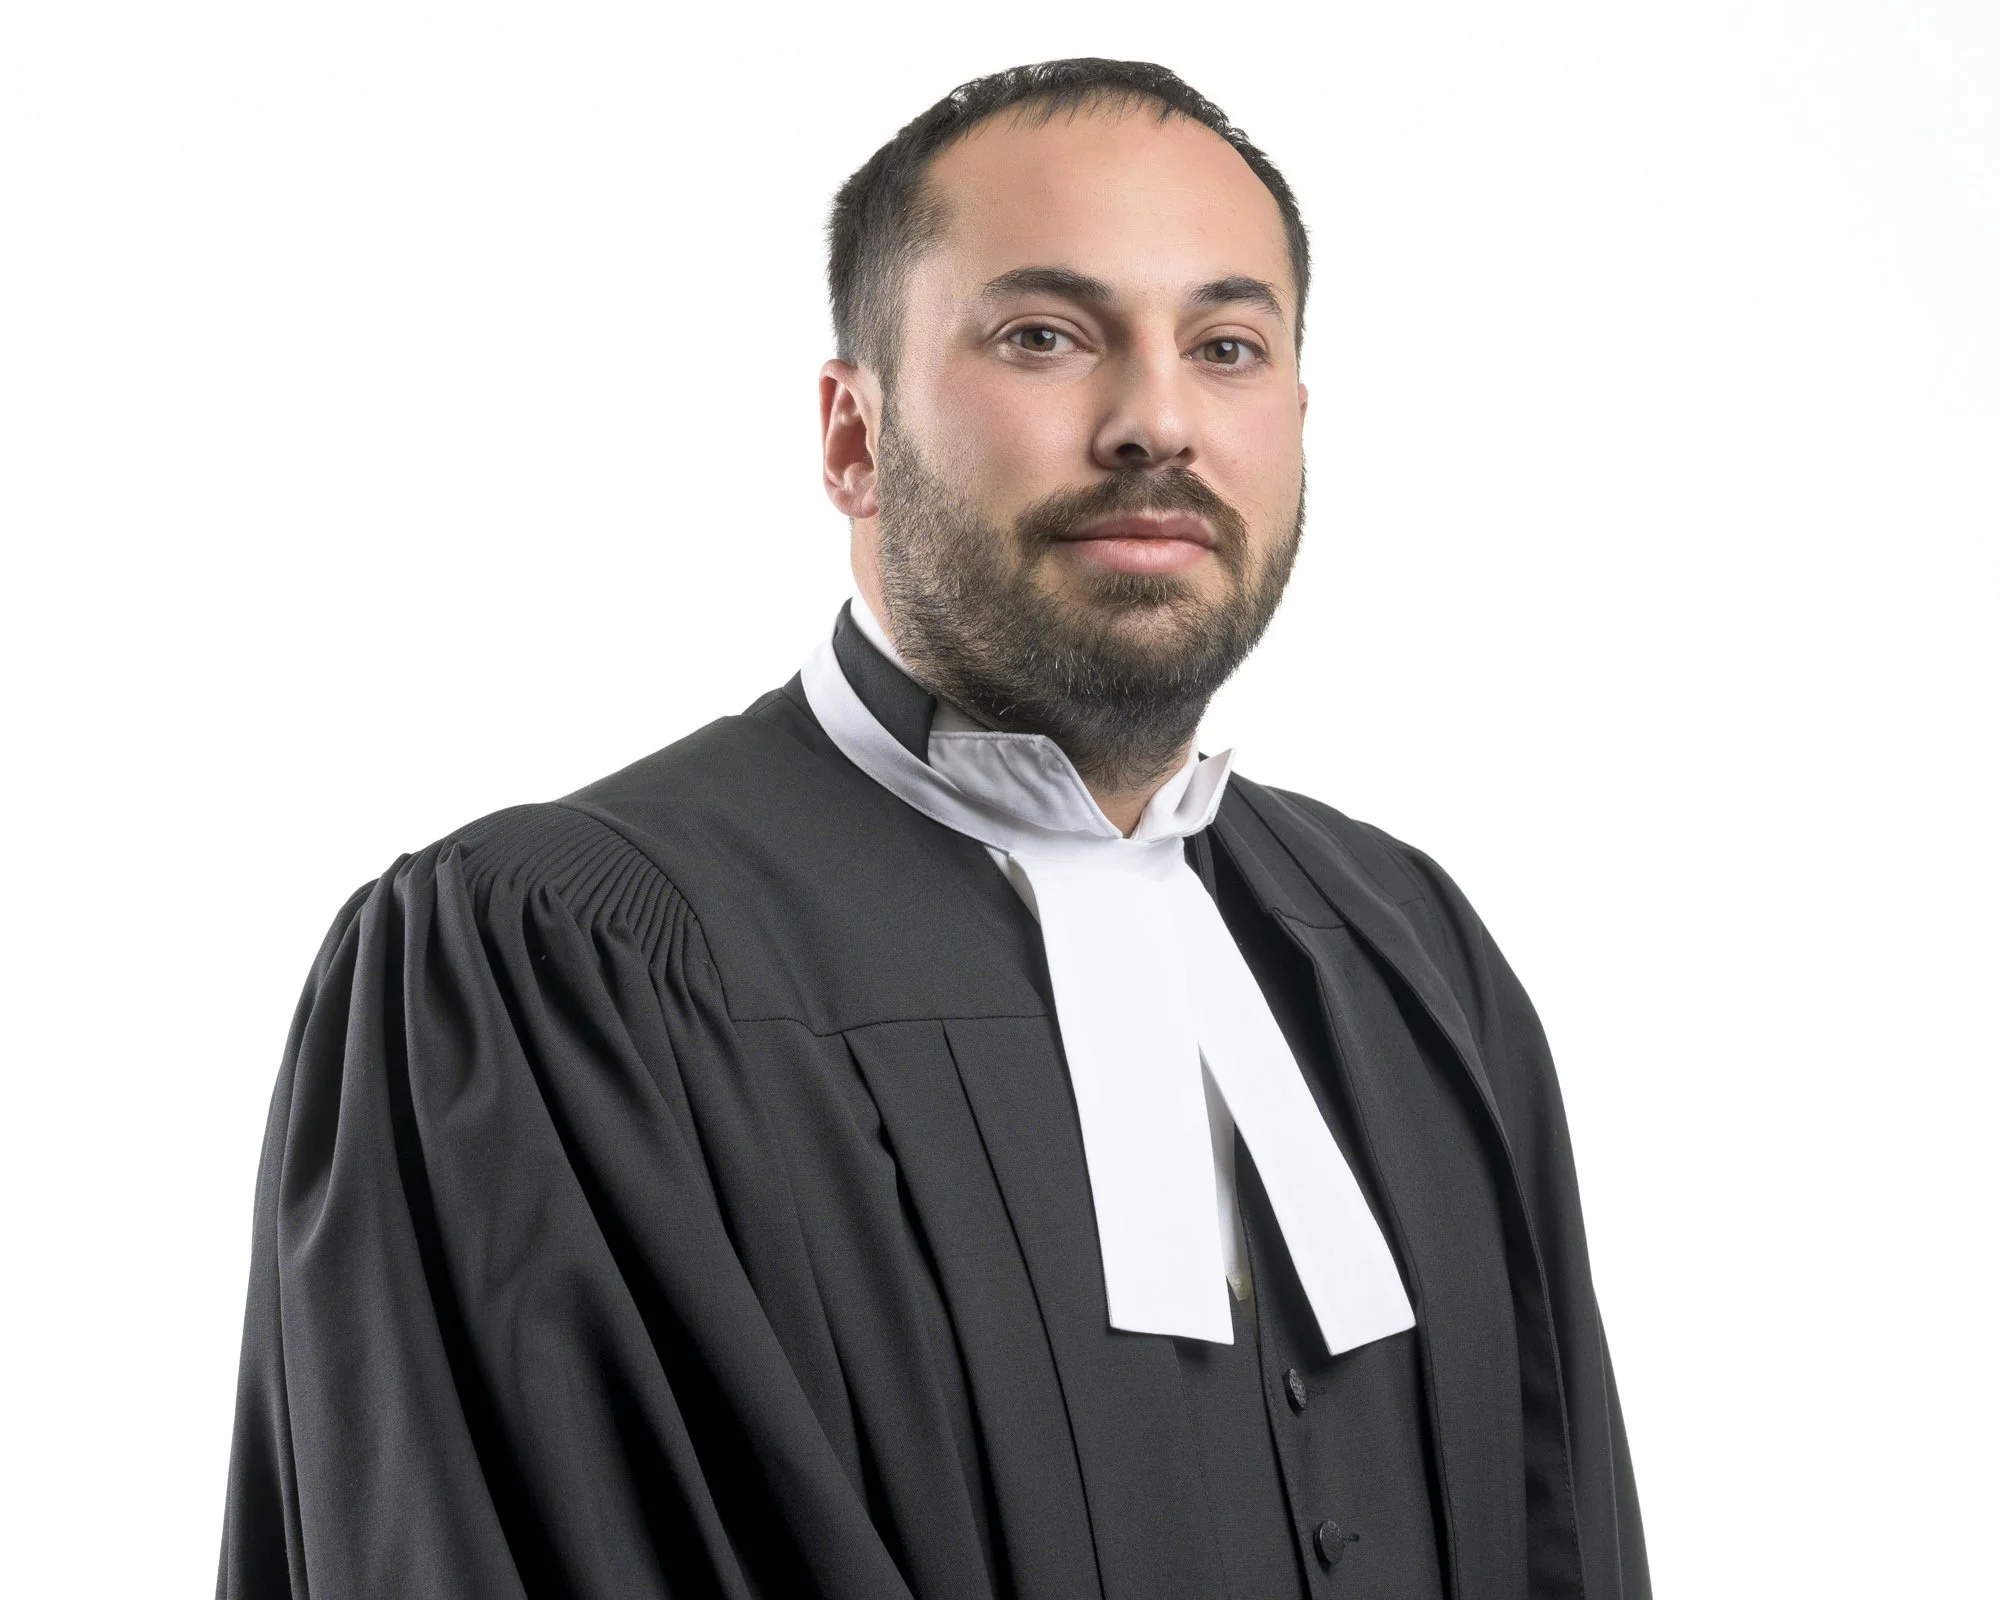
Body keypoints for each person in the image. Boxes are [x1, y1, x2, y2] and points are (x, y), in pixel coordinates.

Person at [218, 57, 1648, 1600]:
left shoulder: (1401, 954)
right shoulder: (548, 968)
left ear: (1295, 421)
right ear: (851, 436)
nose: (1155, 420)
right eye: (1046, 337)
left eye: (1227, 346)